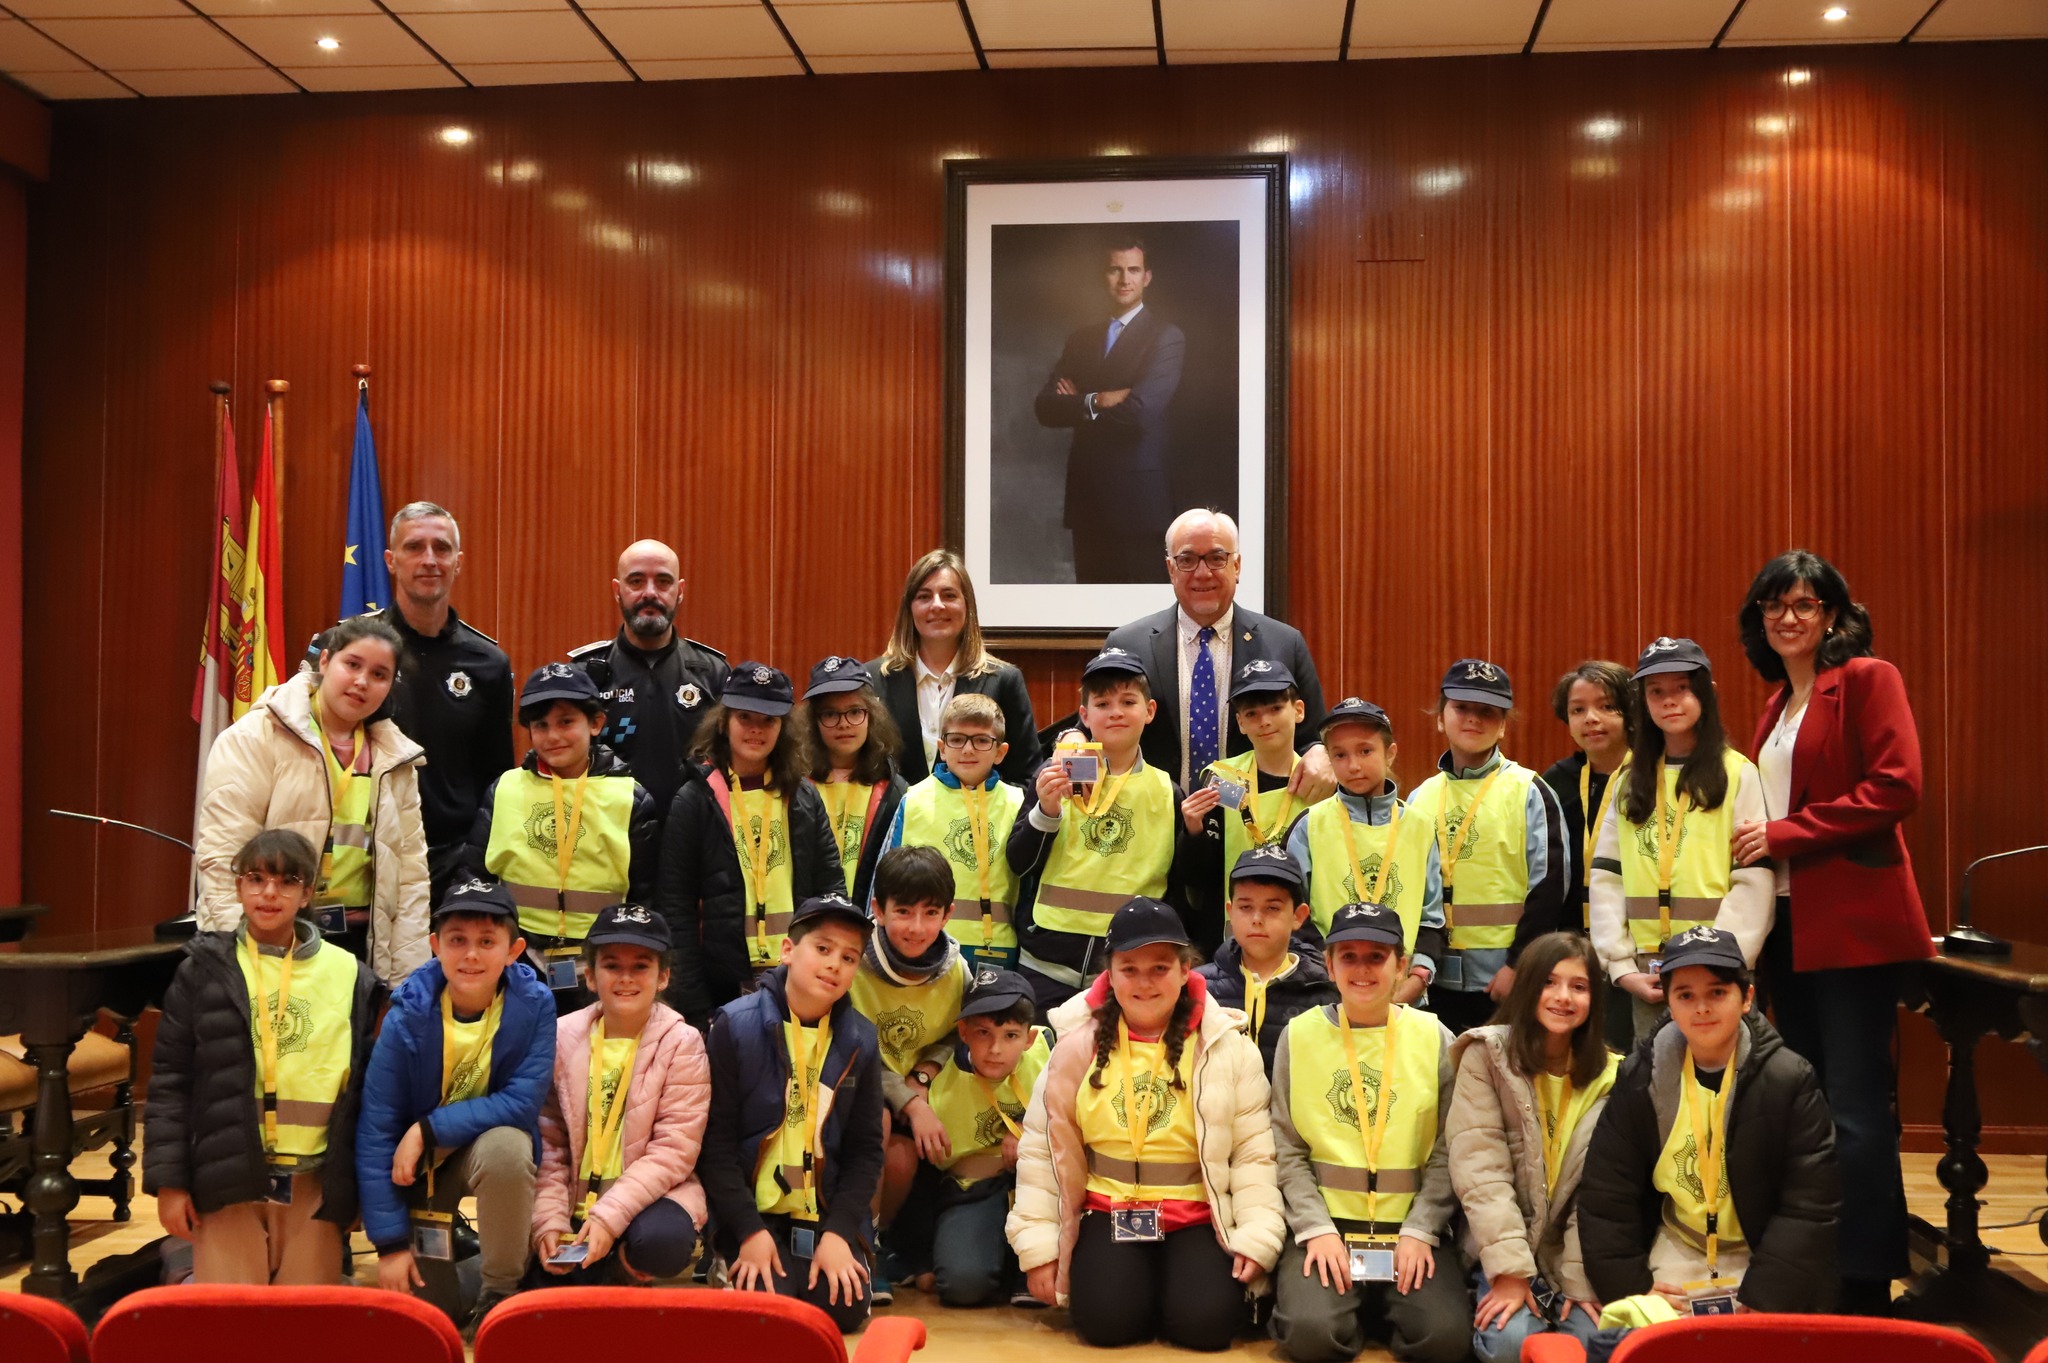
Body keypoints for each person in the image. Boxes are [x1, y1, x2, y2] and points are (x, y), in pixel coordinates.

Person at [1733, 549, 1930, 1314]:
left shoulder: (1868, 679)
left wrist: (1785, 834)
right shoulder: (1776, 705)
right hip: (1789, 925)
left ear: (1833, 614)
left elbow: (1897, 785)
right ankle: (1821, 1263)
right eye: (1774, 605)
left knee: (1854, 1104)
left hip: (1852, 926)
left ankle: (1867, 1278)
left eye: (1805, 604)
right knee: (1810, 1102)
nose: (1788, 617)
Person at [1008, 897, 1284, 1351]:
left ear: (1185, 970)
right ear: (1109, 974)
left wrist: (1257, 1239)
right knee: (1107, 1326)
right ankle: (1138, 1287)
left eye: (1159, 968)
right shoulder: (1075, 1047)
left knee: (1207, 1328)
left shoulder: (1228, 1048)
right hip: (1109, 1210)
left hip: (1197, 1213)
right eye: (1129, 969)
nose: (1144, 982)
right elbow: (1042, 1151)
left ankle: (1171, 1287)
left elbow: (1254, 1153)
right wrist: (1039, 1248)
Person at [145, 829, 382, 1284]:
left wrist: (358, 1189)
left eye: (287, 881)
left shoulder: (351, 975)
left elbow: (364, 1095)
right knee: (230, 1318)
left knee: (304, 1320)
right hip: (227, 1175)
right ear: (239, 888)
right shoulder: (203, 971)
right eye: (256, 879)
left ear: (307, 893)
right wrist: (170, 1182)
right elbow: (171, 1082)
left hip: (315, 1183)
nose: (269, 893)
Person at [1576, 926, 1840, 1316]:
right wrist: (1633, 1286)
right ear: (1669, 1003)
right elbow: (1606, 1194)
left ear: (1746, 998)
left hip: (1762, 1254)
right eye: (1685, 995)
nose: (1701, 1008)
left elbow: (1810, 1204)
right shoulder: (1640, 1077)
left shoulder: (1790, 1078)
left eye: (1717, 992)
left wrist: (1767, 1294)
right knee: (1648, 1339)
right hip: (1679, 1243)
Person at [1268, 903, 1468, 1363]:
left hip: (1410, 1228)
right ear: (1329, 965)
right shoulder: (1298, 1037)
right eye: (1349, 956)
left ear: (1401, 965)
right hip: (1328, 1225)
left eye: (1376, 957)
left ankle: (1383, 1307)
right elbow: (1287, 1148)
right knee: (1311, 1335)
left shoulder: (1435, 1036)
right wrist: (1315, 1229)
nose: (1362, 969)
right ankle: (1346, 1307)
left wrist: (1422, 1228)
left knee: (1444, 1341)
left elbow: (1449, 1148)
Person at [355, 878, 556, 1332]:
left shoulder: (535, 1006)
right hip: (422, 1171)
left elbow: (521, 1103)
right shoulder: (406, 1015)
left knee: (509, 1147)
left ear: (514, 950)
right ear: (435, 946)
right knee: (433, 1314)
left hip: (479, 1149)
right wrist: (389, 1245)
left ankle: (500, 1291)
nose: (471, 955)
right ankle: (477, 1268)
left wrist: (426, 1129)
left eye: (487, 942)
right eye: (457, 940)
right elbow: (376, 1130)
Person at [197, 612, 430, 988]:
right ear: (324, 661)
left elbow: (411, 879)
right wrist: (244, 957)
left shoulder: (396, 759)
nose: (362, 681)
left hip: (360, 947)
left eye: (379, 674)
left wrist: (405, 984)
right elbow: (224, 857)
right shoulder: (255, 737)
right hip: (272, 939)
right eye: (352, 664)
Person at [701, 892, 884, 1333]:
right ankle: (726, 1259)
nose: (834, 965)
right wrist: (748, 1231)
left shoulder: (861, 1040)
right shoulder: (734, 1026)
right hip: (753, 1214)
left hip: (822, 1213)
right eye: (822, 949)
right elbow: (716, 1148)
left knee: (844, 1310)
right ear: (787, 950)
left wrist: (839, 1234)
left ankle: (828, 1251)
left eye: (849, 957)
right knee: (768, 1319)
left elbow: (865, 1153)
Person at [321, 501, 514, 906]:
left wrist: (474, 861)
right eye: (414, 547)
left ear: (458, 562)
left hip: (457, 866)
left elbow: (496, 780)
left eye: (441, 548)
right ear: (391, 561)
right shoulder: (353, 652)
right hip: (366, 856)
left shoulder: (488, 663)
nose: (429, 560)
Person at [1446, 932, 1619, 1362]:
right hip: (1501, 1247)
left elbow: (1601, 1192)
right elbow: (1482, 1174)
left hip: (1573, 1255)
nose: (1563, 997)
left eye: (1579, 986)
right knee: (1511, 1344)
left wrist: (1580, 1281)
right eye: (1549, 982)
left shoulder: (1614, 1076)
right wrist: (1509, 1272)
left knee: (1593, 1343)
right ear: (1526, 987)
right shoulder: (1486, 1055)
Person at [1590, 638, 1772, 1038]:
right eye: (1656, 691)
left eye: (1682, 688)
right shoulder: (1628, 781)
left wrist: (1719, 961)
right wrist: (1620, 967)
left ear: (1707, 692)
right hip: (1648, 975)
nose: (1669, 700)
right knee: (1656, 1072)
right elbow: (1606, 878)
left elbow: (1753, 882)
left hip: (1718, 971)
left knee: (1726, 1073)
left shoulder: (1737, 774)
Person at [1099, 509, 1334, 801]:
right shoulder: (1129, 644)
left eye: (1216, 558)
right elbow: (1090, 730)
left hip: (1254, 818)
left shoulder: (1284, 644)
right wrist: (1069, 738)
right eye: (1187, 560)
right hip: (1155, 816)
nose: (1202, 573)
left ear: (1237, 566)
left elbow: (1313, 737)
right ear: (1171, 569)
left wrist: (1320, 752)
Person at [532, 904, 709, 1286]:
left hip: (647, 1200)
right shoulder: (560, 1037)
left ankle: (620, 1270)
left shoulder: (683, 1042)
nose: (626, 977)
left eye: (641, 966)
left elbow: (673, 1150)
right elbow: (549, 1143)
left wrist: (608, 1217)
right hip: (575, 1197)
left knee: (663, 1242)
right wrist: (549, 1219)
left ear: (663, 977)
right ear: (590, 976)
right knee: (536, 1258)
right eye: (612, 966)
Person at [466, 664, 659, 1011]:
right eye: (540, 725)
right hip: (516, 958)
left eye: (566, 722)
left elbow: (645, 895)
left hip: (601, 961)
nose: (552, 736)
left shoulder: (631, 798)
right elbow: (474, 878)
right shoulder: (504, 789)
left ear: (596, 723)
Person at [656, 664, 841, 1025]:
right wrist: (694, 1006)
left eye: (769, 719)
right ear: (724, 721)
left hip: (797, 977)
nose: (756, 729)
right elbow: (675, 908)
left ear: (783, 727)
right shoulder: (694, 799)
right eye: (745, 717)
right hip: (719, 986)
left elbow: (830, 890)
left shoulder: (804, 797)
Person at [1009, 648, 1187, 1014]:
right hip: (1046, 963)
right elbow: (1018, 863)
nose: (1116, 712)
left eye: (1128, 702)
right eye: (1103, 704)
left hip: (1126, 969)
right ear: (1085, 715)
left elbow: (1181, 884)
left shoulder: (1167, 791)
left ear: (1150, 711)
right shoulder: (1055, 774)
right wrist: (1046, 810)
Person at [1402, 660, 1569, 1034]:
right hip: (1429, 980)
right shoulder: (1418, 798)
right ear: (1440, 718)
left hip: (1503, 982)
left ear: (1504, 725)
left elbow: (1549, 889)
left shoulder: (1530, 791)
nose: (1473, 719)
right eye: (1461, 707)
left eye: (1487, 711)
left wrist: (1519, 965)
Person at [848, 846, 973, 1285]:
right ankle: (856, 1244)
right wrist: (909, 1102)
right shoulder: (853, 963)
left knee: (902, 1158)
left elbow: (957, 1034)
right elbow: (849, 1048)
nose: (917, 927)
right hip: (858, 1091)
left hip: (917, 1092)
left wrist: (924, 1076)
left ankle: (882, 1244)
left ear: (948, 914)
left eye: (930, 913)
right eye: (902, 911)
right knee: (877, 1120)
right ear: (878, 910)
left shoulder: (957, 970)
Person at [1031, 234, 1186, 583]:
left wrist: (1077, 403)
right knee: (1089, 604)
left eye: (1133, 270)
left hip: (1139, 504)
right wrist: (1098, 399)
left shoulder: (1165, 337)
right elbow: (1045, 407)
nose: (1124, 279)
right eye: (1115, 270)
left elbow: (1140, 413)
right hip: (1087, 499)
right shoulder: (1081, 339)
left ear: (1147, 276)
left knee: (1140, 608)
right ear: (1104, 276)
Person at [1286, 698, 1445, 1000]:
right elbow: (1294, 914)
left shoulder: (1420, 827)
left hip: (1403, 995)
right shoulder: (1309, 826)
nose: (1354, 765)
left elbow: (1432, 918)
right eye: (1340, 755)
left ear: (1390, 754)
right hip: (1328, 992)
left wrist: (1417, 979)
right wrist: (1332, 976)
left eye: (1365, 751)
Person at [912, 966, 1053, 1307]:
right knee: (962, 1287)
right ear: (963, 1032)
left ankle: (1023, 1270)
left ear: (1029, 1037)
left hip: (1040, 1186)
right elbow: (924, 1179)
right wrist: (919, 1256)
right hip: (972, 1189)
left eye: (1011, 1036)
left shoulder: (1050, 1052)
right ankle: (992, 1261)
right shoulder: (938, 1081)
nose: (995, 1049)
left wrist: (1028, 1128)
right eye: (983, 1033)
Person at [568, 540, 730, 823]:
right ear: (617, 591)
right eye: (636, 581)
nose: (650, 593)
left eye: (663, 581)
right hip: (607, 832)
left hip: (692, 833)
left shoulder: (713, 673)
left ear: (680, 591)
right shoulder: (584, 673)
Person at [1177, 660, 1325, 952]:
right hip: (1233, 943)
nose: (1264, 721)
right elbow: (1199, 875)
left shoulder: (1319, 783)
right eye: (1252, 714)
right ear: (1241, 723)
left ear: (1298, 710)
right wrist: (1193, 832)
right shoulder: (1220, 779)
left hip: (1304, 943)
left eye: (1275, 709)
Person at [874, 692, 1027, 969]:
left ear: (1000, 752)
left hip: (1000, 948)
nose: (968, 750)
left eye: (982, 741)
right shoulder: (915, 799)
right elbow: (884, 877)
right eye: (957, 740)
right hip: (925, 943)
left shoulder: (1018, 802)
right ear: (942, 748)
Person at [870, 549, 1040, 787]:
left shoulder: (1004, 680)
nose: (937, 605)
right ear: (910, 608)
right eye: (924, 596)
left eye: (949, 595)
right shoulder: (874, 679)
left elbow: (1026, 778)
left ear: (967, 605)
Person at [1540, 661, 1637, 1054]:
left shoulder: (1651, 776)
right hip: (1570, 945)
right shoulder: (1556, 781)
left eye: (1607, 706)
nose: (1591, 719)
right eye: (1578, 709)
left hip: (1632, 944)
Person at [1195, 847, 1337, 1078]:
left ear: (1298, 916)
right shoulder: (1200, 988)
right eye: (1245, 907)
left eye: (1272, 908)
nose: (1257, 919)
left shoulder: (1324, 994)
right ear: (1230, 911)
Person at [798, 656, 907, 906]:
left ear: (872, 715)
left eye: (855, 712)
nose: (844, 724)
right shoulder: (795, 785)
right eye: (830, 714)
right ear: (813, 722)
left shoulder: (894, 790)